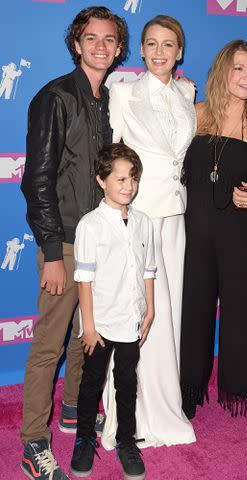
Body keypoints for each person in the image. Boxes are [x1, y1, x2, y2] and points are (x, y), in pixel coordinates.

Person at [20, 7, 127, 479]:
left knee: (91, 337)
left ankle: (72, 412)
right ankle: (31, 445)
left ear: (119, 48)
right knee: (48, 347)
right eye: (91, 38)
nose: (100, 46)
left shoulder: (110, 101)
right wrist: (50, 252)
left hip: (100, 242)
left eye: (109, 39)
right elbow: (37, 181)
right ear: (76, 43)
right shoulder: (55, 97)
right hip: (63, 243)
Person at [180, 39, 247, 451]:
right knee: (194, 314)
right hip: (196, 232)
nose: (246, 77)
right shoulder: (198, 114)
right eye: (239, 68)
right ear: (223, 71)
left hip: (243, 233)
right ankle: (187, 392)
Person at [101, 15, 196, 449]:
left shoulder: (188, 91)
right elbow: (113, 154)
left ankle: (163, 406)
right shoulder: (122, 92)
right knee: (135, 312)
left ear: (180, 51)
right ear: (140, 49)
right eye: (152, 43)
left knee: (167, 316)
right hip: (137, 215)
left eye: (169, 44)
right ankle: (129, 411)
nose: (160, 52)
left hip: (175, 217)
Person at [70, 143, 155, 479]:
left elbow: (148, 269)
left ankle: (126, 441)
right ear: (101, 180)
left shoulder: (143, 222)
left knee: (126, 383)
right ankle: (84, 439)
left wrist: (149, 309)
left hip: (132, 320)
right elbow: (84, 280)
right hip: (101, 323)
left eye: (132, 178)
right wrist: (88, 326)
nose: (127, 186)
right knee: (91, 384)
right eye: (119, 179)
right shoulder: (90, 225)